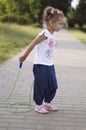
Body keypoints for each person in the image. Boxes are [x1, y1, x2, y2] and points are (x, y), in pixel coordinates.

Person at [19, 6, 64, 114]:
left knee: (53, 85)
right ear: (51, 22)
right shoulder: (44, 34)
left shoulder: (52, 35)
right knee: (41, 85)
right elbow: (33, 43)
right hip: (40, 65)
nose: (61, 26)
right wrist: (24, 56)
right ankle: (38, 105)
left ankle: (47, 103)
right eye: (60, 23)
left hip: (49, 65)